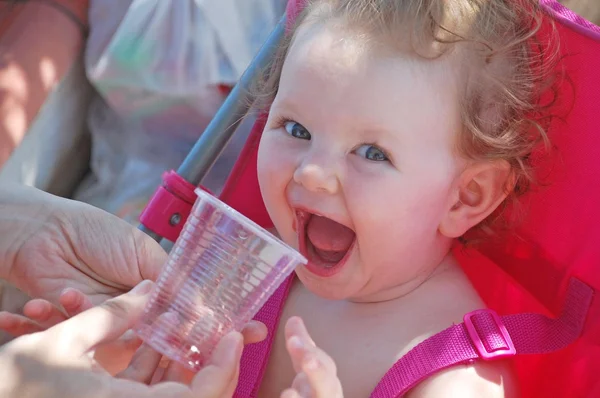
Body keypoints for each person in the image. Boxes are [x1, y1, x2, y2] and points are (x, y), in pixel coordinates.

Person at [2, 0, 560, 396]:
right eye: (295, 129)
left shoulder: (453, 377)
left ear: (467, 196)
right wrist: (106, 363)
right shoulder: (245, 275)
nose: (313, 173)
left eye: (371, 152)